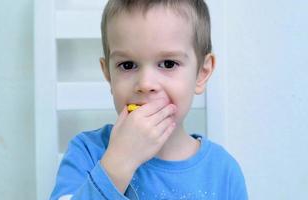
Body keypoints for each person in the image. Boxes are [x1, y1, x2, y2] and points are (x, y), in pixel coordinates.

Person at [50, 0, 248, 199]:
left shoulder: (223, 172)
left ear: (201, 73)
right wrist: (118, 163)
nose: (145, 84)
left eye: (168, 63)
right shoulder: (87, 152)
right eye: (127, 65)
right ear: (108, 74)